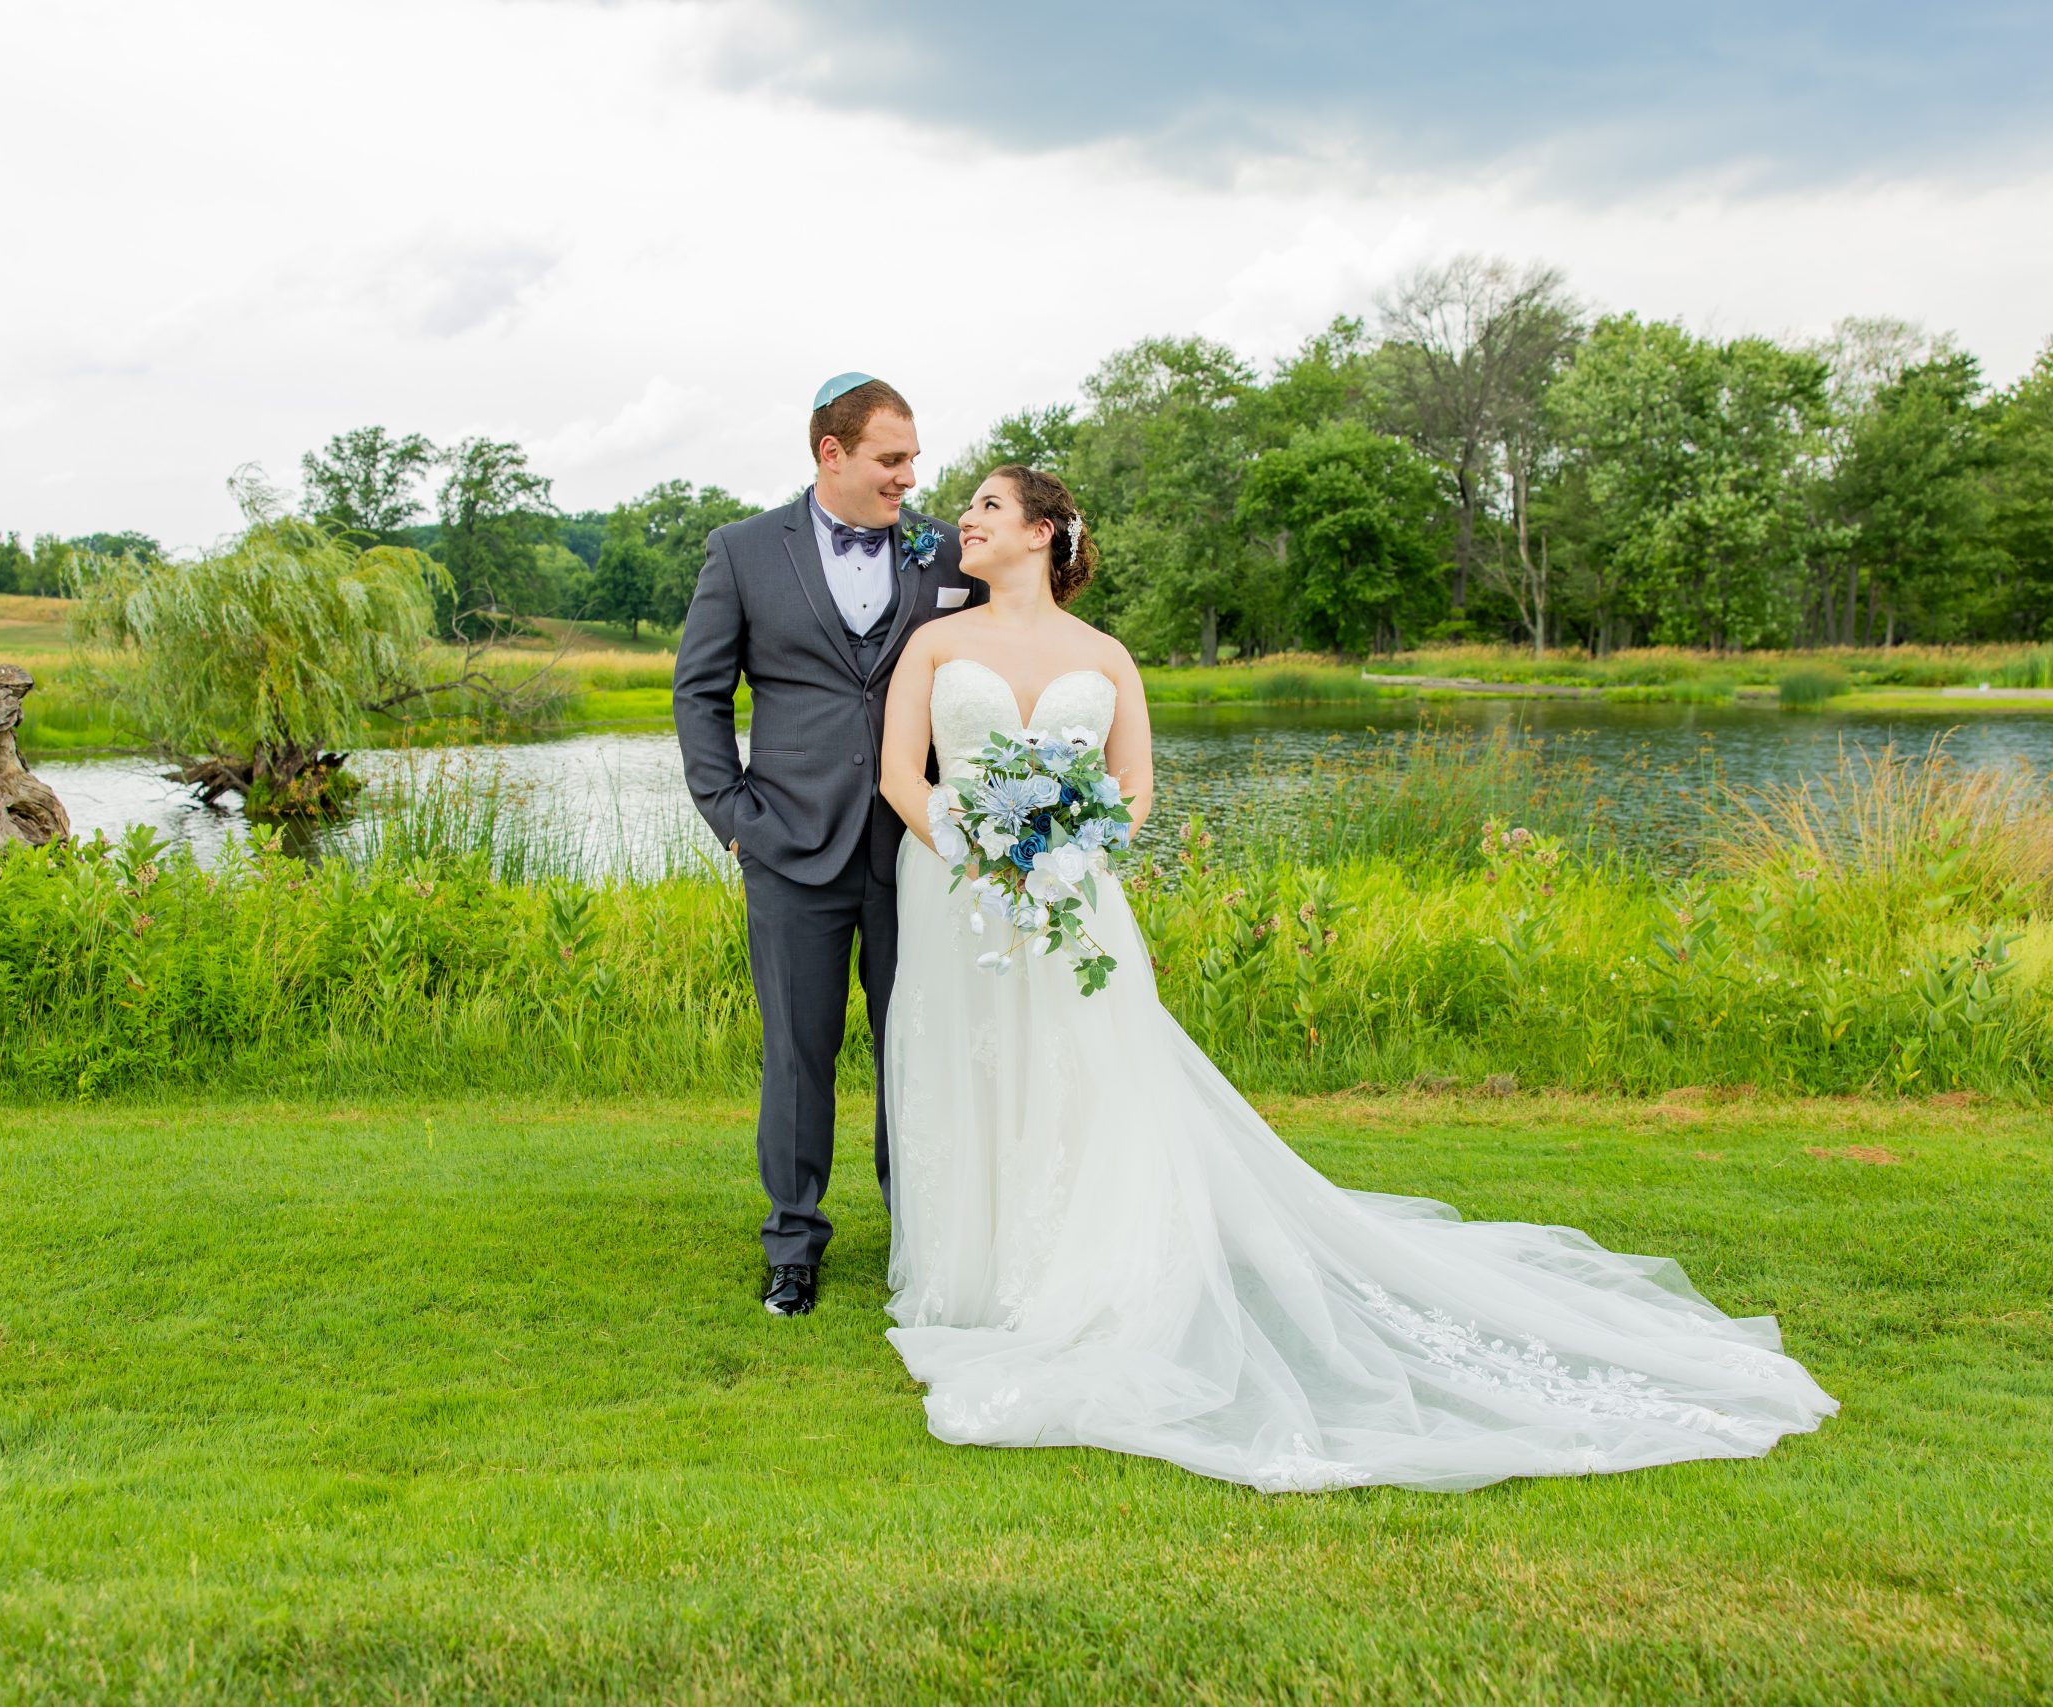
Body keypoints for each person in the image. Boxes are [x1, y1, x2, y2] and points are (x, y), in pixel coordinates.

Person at [871, 464, 1839, 1492]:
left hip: (1077, 894)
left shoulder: (1105, 656)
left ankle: (1076, 1272)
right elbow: (901, 774)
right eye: (968, 508)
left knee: (1083, 1078)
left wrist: (1070, 848)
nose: (963, 522)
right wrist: (979, 850)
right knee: (968, 1067)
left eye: (984, 507)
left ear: (1043, 533)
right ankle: (977, 1277)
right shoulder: (935, 643)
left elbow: (1137, 784)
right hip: (953, 888)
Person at [673, 374, 988, 1316]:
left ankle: (922, 1232)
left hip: (916, 850)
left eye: (913, 458)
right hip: (788, 847)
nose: (910, 476)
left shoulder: (944, 552)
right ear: (832, 453)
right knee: (798, 1053)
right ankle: (794, 1244)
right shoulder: (739, 553)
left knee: (918, 1046)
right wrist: (732, 815)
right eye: (893, 459)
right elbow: (698, 695)